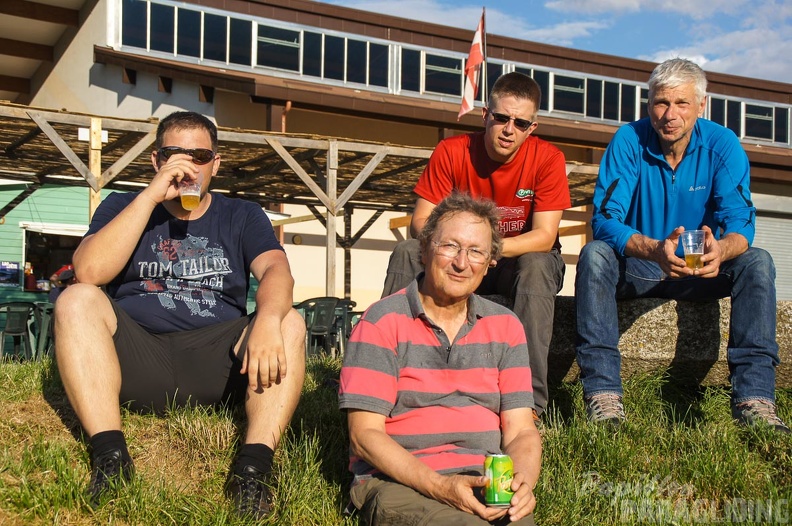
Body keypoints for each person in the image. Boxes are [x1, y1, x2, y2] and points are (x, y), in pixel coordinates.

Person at [53, 111, 307, 516]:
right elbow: (88, 272)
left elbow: (277, 271)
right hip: (136, 356)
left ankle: (253, 470)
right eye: (174, 154)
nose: (188, 166)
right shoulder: (123, 205)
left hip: (218, 363)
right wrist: (151, 196)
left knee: (288, 321)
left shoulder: (242, 215)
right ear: (156, 161)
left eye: (200, 156)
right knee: (75, 299)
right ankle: (111, 458)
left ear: (216, 164)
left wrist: (267, 320)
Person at [575, 58, 788, 433]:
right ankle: (602, 394)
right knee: (595, 254)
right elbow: (605, 220)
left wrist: (721, 250)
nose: (669, 114)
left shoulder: (722, 144)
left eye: (681, 103)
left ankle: (755, 400)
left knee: (757, 261)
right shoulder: (629, 140)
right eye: (661, 103)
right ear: (649, 104)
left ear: (701, 104)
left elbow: (742, 222)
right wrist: (655, 248)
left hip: (703, 266)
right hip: (644, 264)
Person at [340, 192, 542, 525]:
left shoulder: (506, 326)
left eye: (476, 251)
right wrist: (442, 486)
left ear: (491, 262)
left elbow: (521, 431)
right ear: (424, 249)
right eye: (450, 246)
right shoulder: (381, 321)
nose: (462, 262)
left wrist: (521, 482)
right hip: (402, 481)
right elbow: (364, 436)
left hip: (484, 481)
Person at [381, 72, 571, 420]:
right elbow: (420, 223)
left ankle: (528, 404)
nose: (508, 128)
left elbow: (545, 236)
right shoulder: (452, 151)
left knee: (539, 264)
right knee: (407, 251)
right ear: (486, 114)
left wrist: (490, 251)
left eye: (520, 122)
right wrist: (462, 250)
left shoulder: (548, 159)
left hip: (517, 262)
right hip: (463, 256)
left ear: (532, 127)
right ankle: (378, 376)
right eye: (501, 117)